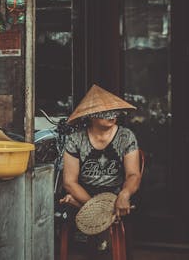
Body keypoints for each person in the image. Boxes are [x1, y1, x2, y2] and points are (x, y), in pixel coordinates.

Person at [60, 84, 142, 219]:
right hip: (85, 196)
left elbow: (133, 174)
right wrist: (94, 206)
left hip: (116, 197)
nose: (111, 116)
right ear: (91, 115)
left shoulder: (126, 137)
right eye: (104, 112)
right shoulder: (75, 140)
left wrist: (124, 194)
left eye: (113, 111)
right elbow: (69, 181)